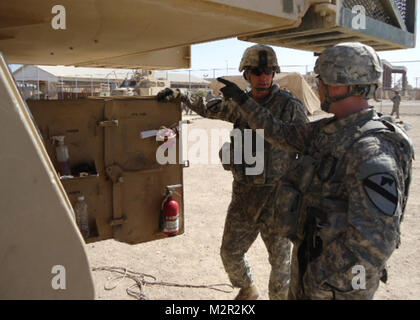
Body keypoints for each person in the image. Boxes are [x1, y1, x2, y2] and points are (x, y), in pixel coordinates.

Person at [217, 42, 413, 299]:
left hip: (331, 289)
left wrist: (319, 281)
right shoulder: (328, 131)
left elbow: (374, 244)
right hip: (310, 272)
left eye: (322, 80)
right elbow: (278, 132)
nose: (318, 87)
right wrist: (244, 100)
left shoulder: (371, 150)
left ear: (340, 83)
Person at [157, 44, 309, 300]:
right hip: (245, 196)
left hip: (277, 198)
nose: (263, 76)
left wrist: (301, 190)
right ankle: (248, 290)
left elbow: (306, 145)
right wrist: (181, 94)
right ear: (247, 74)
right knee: (230, 252)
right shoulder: (240, 103)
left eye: (269, 71)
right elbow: (210, 106)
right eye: (257, 71)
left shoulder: (289, 106)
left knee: (281, 266)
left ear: (274, 73)